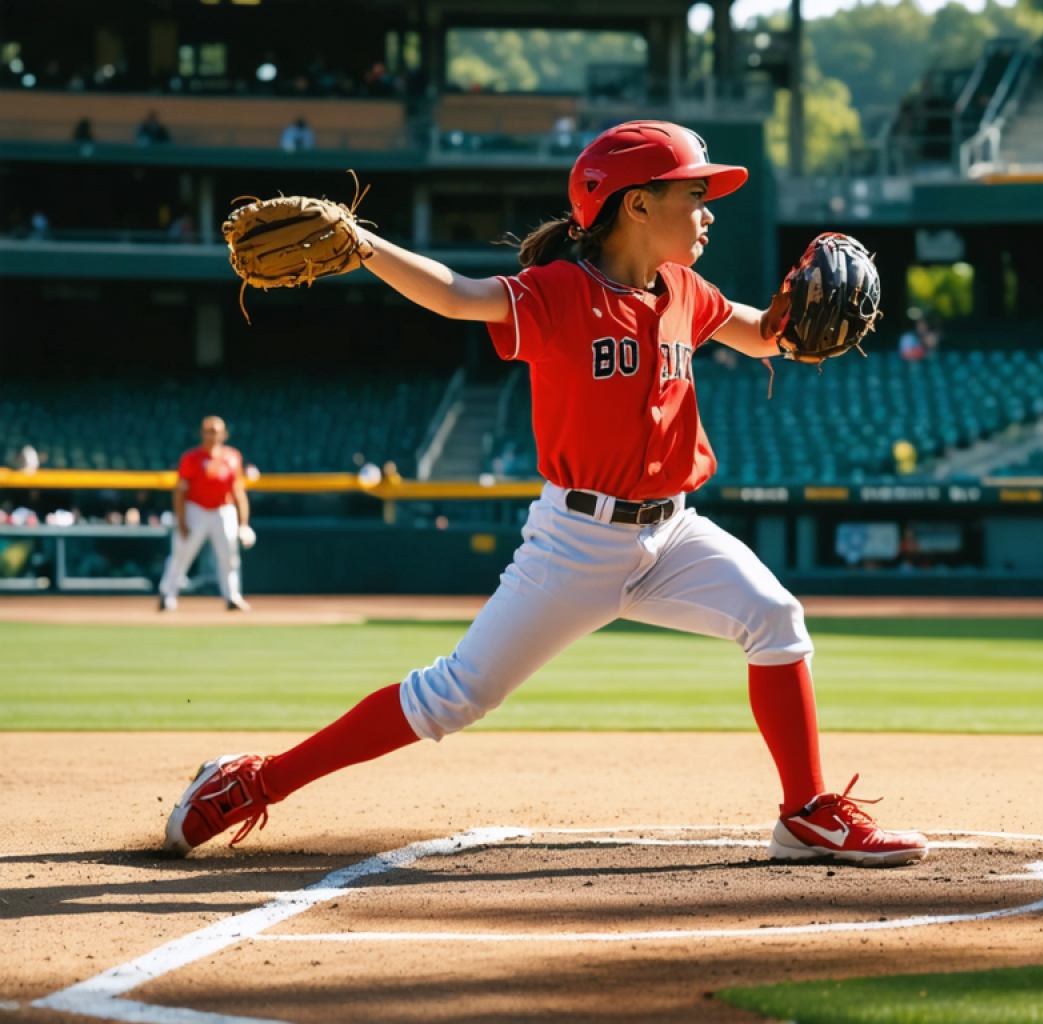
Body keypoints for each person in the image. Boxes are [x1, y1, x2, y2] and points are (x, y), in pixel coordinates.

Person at [161, 120, 927, 867]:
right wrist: (365, 246)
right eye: (694, 195)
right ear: (636, 205)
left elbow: (765, 336)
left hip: (674, 532)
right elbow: (461, 296)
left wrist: (799, 314)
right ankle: (256, 780)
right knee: (450, 697)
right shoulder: (559, 292)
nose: (708, 211)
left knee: (776, 620)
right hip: (578, 544)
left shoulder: (686, 291)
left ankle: (805, 813)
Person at [156, 416, 251, 612]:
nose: (212, 435)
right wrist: (181, 520)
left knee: (229, 556)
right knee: (181, 554)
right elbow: (180, 491)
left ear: (224, 434)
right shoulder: (191, 458)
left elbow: (238, 492)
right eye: (209, 431)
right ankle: (168, 594)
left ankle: (232, 596)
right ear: (202, 433)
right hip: (195, 509)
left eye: (216, 431)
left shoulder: (233, 456)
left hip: (223, 510)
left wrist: (243, 524)